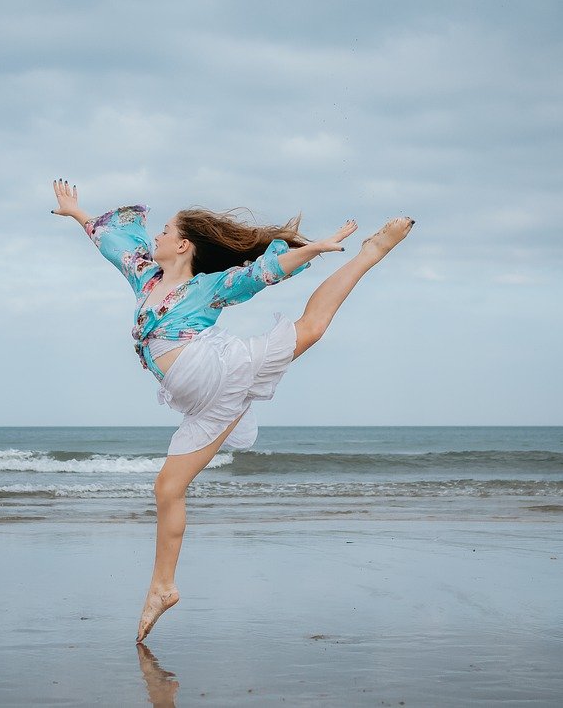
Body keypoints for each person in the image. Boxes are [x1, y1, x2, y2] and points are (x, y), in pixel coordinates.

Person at [50, 179, 413, 642]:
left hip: (221, 370)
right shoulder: (144, 276)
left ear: (183, 245)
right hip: (202, 405)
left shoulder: (208, 287)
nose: (156, 235)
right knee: (167, 488)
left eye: (165, 230)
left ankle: (371, 252)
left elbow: (263, 273)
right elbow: (111, 244)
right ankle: (162, 587)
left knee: (311, 328)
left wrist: (314, 249)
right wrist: (78, 212)